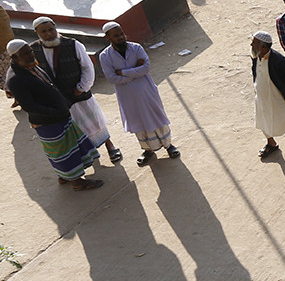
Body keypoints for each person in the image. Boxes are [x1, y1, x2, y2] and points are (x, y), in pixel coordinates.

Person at [5, 39, 103, 190]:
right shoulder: (16, 79)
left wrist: (63, 104)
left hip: (60, 116)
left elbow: (49, 85)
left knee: (66, 149)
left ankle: (64, 175)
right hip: (48, 121)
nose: (30, 54)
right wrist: (56, 112)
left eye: (30, 51)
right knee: (62, 152)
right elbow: (29, 106)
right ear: (14, 58)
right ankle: (77, 182)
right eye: (25, 53)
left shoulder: (30, 66)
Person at [30, 17, 121, 162]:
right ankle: (90, 154)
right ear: (37, 33)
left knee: (95, 121)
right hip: (59, 98)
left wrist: (82, 87)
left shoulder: (73, 44)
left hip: (78, 92)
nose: (49, 34)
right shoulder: (33, 50)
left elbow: (87, 67)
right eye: (44, 31)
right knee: (75, 128)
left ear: (55, 28)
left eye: (51, 29)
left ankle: (110, 146)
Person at [98, 22, 180, 166]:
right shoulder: (105, 56)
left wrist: (123, 72)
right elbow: (111, 78)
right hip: (127, 96)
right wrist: (135, 71)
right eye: (116, 36)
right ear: (108, 38)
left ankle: (168, 145)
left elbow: (146, 68)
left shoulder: (136, 48)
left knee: (156, 117)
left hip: (146, 91)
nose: (121, 37)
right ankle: (148, 150)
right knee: (139, 123)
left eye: (122, 34)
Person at [249, 30, 285, 161]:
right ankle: (271, 143)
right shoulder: (255, 55)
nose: (251, 44)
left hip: (279, 96)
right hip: (262, 96)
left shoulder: (278, 60)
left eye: (254, 43)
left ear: (264, 47)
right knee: (263, 119)